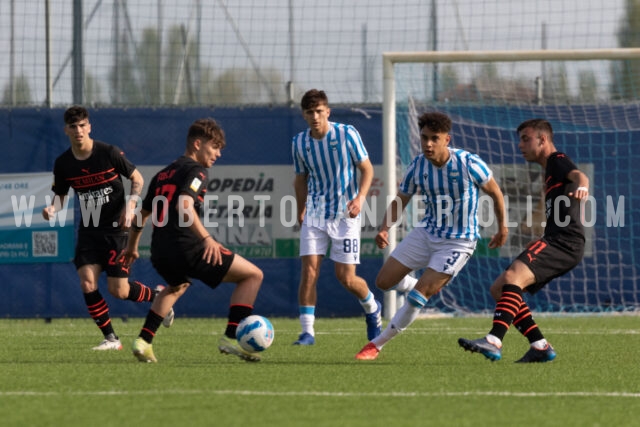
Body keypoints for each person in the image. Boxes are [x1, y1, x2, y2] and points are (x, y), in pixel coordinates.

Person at [355, 111, 508, 360]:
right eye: (424, 137)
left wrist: (503, 228)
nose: (427, 144)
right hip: (427, 232)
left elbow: (496, 193)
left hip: (458, 241)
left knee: (418, 297)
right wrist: (384, 227)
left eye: (434, 138)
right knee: (383, 282)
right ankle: (420, 286)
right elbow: (401, 200)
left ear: (447, 139)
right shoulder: (418, 165)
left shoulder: (469, 163)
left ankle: (377, 344)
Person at [125, 117, 264, 363]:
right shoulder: (196, 170)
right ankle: (231, 338)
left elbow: (142, 216)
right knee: (253, 275)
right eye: (215, 147)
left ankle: (144, 341)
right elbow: (184, 206)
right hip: (187, 246)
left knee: (177, 286)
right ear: (198, 144)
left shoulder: (162, 174)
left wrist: (131, 247)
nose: (219, 154)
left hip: (160, 252)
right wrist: (207, 239)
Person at [42, 106, 173, 351]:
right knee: (87, 283)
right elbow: (60, 196)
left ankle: (157, 297)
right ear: (66, 130)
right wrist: (51, 209)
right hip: (89, 232)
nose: (78, 130)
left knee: (119, 291)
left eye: (82, 125)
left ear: (89, 126)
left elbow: (137, 178)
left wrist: (131, 205)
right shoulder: (63, 163)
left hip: (117, 232)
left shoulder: (108, 152)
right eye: (73, 127)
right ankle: (111, 339)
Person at [458, 118, 589, 363]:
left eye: (526, 139)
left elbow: (578, 175)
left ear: (543, 139)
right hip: (558, 240)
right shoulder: (549, 170)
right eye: (520, 139)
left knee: (511, 278)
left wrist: (583, 186)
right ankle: (540, 345)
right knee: (499, 289)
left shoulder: (556, 160)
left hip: (564, 241)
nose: (520, 145)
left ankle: (494, 340)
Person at [291, 89, 381, 345]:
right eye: (310, 112)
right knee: (309, 272)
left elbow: (367, 168)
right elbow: (300, 178)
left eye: (320, 111)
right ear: (304, 115)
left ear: (327, 111)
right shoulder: (299, 142)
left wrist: (361, 198)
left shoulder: (347, 134)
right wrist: (301, 207)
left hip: (345, 216)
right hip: (315, 214)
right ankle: (307, 332)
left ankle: (372, 309)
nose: (315, 116)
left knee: (347, 278)